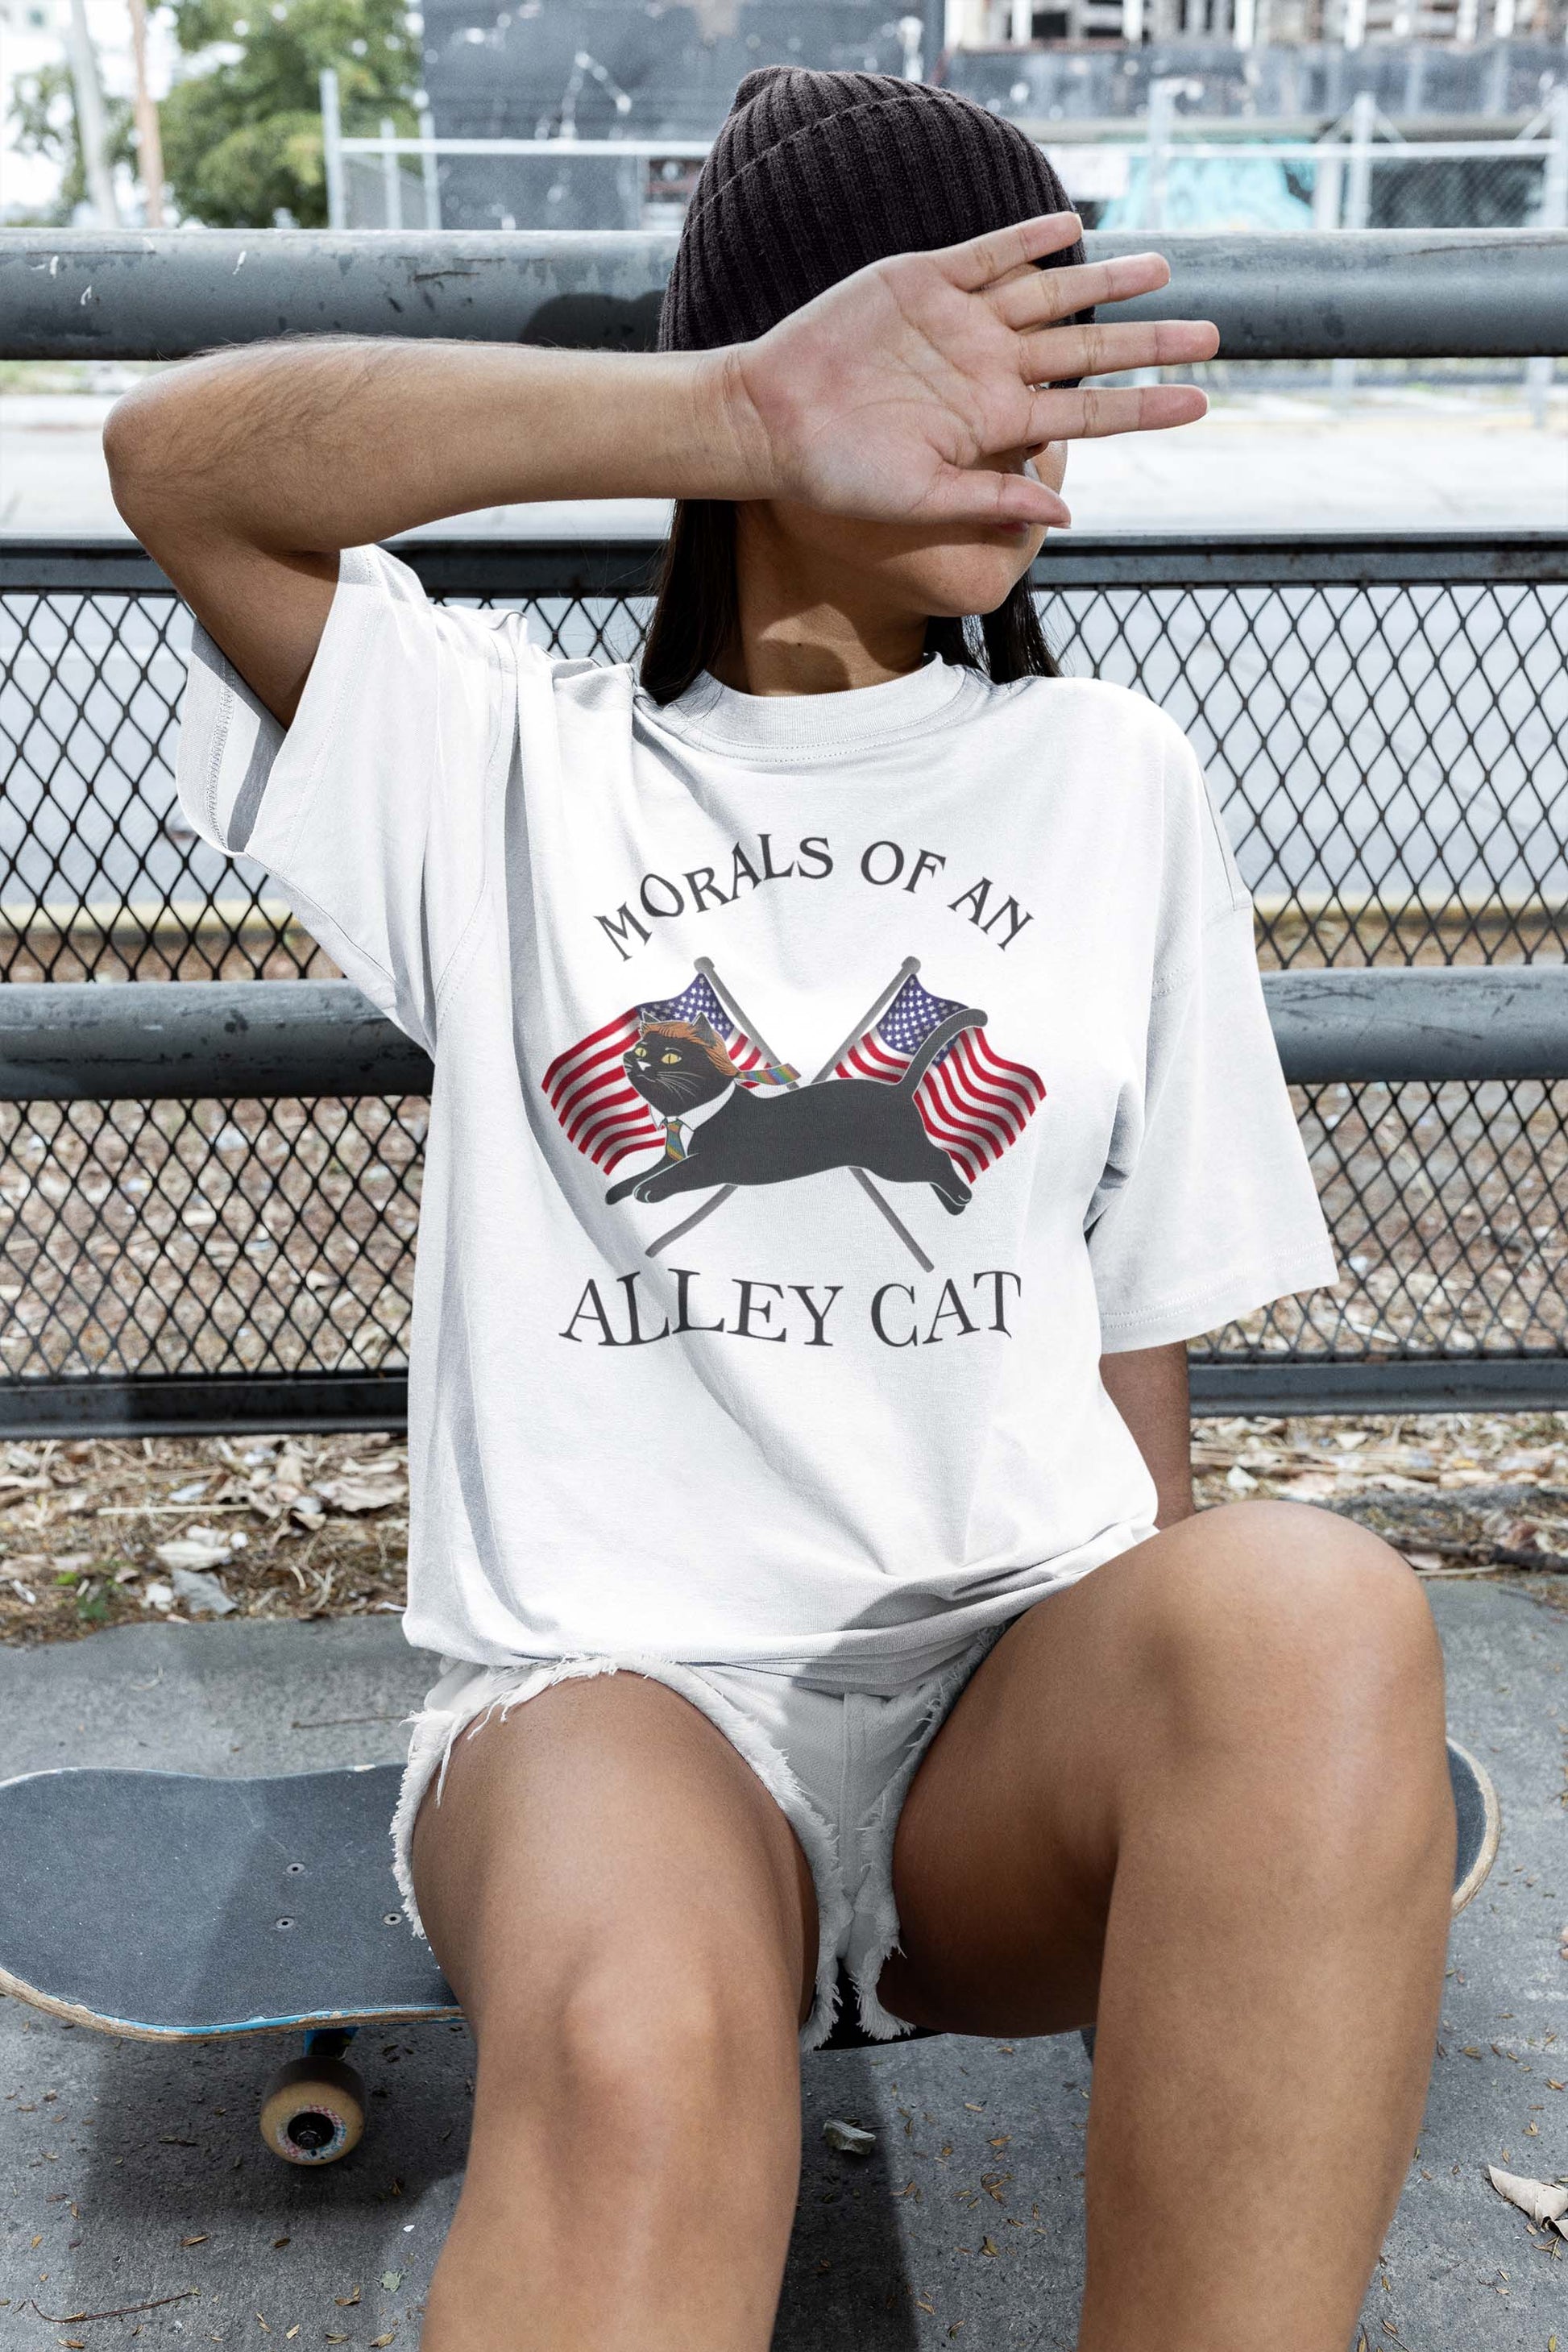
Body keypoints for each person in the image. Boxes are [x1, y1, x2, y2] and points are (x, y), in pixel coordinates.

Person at [106, 67, 1454, 2352]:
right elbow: (184, 463)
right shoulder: (503, 761)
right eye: (970, 366)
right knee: (639, 2049)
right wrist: (731, 408)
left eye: (1061, 373)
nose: (1035, 436)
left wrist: (1191, 1790)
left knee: (1316, 1617)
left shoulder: (1113, 778)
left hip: (995, 1725)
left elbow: (1134, 1332)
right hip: (624, 1697)